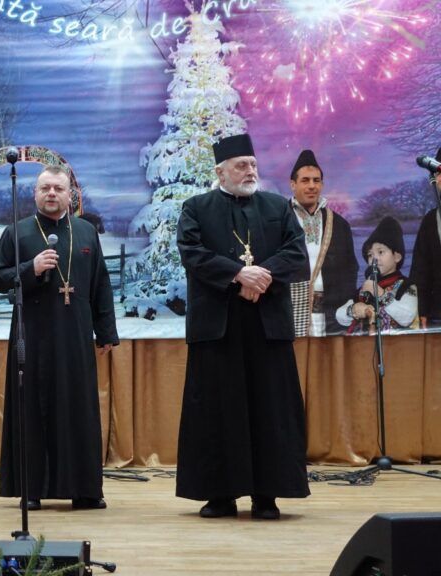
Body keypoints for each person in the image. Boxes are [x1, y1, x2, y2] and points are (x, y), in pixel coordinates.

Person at [175, 133, 310, 520]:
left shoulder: (277, 206)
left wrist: (260, 276)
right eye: (241, 166)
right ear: (221, 172)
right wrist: (237, 275)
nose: (250, 171)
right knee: (218, 410)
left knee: (271, 409)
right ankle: (220, 495)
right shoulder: (196, 208)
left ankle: (267, 495)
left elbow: (296, 253)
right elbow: (192, 254)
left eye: (252, 164)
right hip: (218, 327)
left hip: (267, 325)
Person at [0, 164, 119, 511]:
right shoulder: (17, 232)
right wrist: (30, 269)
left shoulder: (86, 232)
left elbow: (101, 283)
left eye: (58, 189)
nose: (51, 194)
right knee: (33, 407)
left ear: (70, 195)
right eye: (45, 188)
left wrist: (106, 331)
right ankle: (32, 489)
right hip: (33, 334)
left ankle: (84, 489)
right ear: (35, 193)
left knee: (78, 409)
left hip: (76, 335)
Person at [287, 150, 358, 336]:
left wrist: (343, 306)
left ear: (322, 184)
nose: (312, 186)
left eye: (316, 180)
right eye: (305, 180)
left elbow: (350, 268)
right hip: (290, 314)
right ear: (293, 184)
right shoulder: (277, 220)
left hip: (331, 316)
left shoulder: (340, 225)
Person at [336, 216, 419, 334]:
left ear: (397, 257)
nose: (374, 259)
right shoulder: (366, 287)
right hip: (363, 344)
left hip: (395, 343)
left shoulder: (406, 286)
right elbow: (339, 315)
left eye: (380, 252)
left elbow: (407, 318)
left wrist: (380, 294)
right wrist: (353, 310)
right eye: (370, 255)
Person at [410, 148, 441, 328]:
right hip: (438, 313)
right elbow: (420, 270)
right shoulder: (431, 220)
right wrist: (421, 309)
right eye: (437, 174)